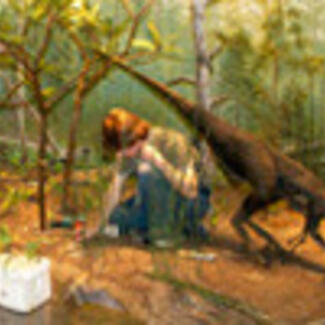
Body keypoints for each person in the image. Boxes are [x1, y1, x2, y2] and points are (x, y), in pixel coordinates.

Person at [96, 107, 211, 245]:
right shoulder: (128, 151)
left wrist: (159, 161)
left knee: (147, 172)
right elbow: (115, 189)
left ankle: (165, 232)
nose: (123, 154)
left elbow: (190, 191)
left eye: (124, 148)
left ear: (135, 137)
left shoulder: (173, 142)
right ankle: (180, 227)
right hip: (153, 202)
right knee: (115, 218)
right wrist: (99, 226)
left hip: (189, 200)